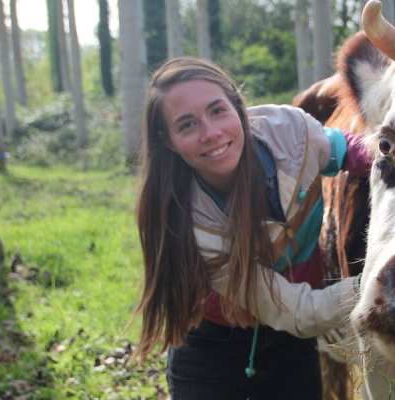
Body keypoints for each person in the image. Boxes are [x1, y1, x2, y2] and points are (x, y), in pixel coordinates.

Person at [132, 57, 370, 399]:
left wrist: (392, 157)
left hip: (293, 345)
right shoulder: (189, 222)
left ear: (238, 105)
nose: (211, 133)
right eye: (186, 125)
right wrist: (379, 284)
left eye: (217, 111)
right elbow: (299, 311)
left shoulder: (290, 131)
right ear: (167, 140)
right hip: (212, 350)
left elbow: (347, 150)